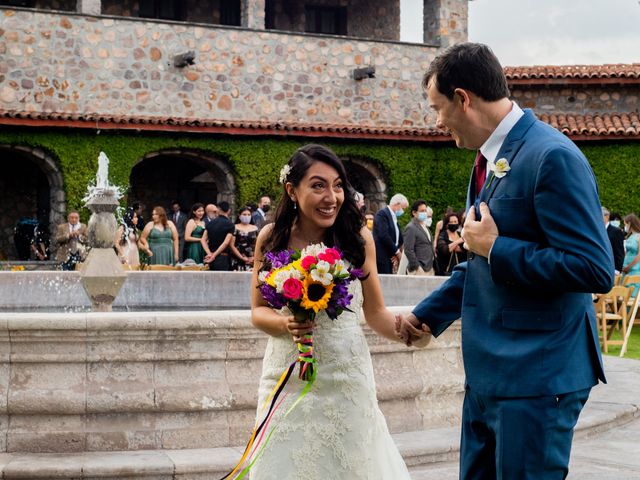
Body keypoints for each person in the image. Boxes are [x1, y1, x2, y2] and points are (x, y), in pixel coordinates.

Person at [397, 43, 614, 479]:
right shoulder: (486, 158)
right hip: (489, 375)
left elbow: (594, 267)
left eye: (438, 108)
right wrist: (426, 317)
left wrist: (498, 247)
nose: (437, 122)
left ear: (463, 99)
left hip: (538, 377)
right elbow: (478, 263)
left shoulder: (552, 156)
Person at [249, 144, 428, 479]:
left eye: (337, 185)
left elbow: (375, 314)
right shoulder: (271, 238)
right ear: (292, 190)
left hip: (347, 376)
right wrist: (285, 323)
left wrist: (409, 331)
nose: (331, 196)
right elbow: (258, 312)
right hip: (286, 374)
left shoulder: (358, 238)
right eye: (318, 186)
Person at [372, 193, 408, 274]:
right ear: (397, 204)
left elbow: (398, 239)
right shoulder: (382, 214)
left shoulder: (394, 217)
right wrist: (397, 252)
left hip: (390, 258)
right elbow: (384, 235)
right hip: (382, 258)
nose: (403, 211)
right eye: (403, 208)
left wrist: (395, 254)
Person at [398, 199, 435, 275]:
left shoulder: (425, 227)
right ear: (414, 213)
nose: (424, 213)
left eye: (425, 210)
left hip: (429, 267)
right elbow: (408, 250)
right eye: (422, 211)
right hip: (418, 270)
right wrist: (417, 267)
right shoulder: (411, 227)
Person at [201, 200, 234, 271]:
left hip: (209, 257)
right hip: (223, 257)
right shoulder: (230, 225)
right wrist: (214, 255)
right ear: (228, 211)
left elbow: (203, 240)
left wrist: (209, 253)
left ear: (218, 210)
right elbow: (225, 243)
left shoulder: (210, 223)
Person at [436, 211, 466, 275]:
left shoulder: (460, 234)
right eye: (451, 222)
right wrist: (458, 241)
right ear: (447, 224)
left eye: (455, 222)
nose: (453, 223)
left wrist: (452, 246)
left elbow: (467, 250)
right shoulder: (443, 235)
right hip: (445, 271)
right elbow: (444, 250)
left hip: (461, 271)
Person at [229, 205, 258, 271]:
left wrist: (254, 257)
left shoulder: (255, 228)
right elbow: (231, 245)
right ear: (239, 216)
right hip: (237, 259)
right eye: (244, 214)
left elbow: (258, 244)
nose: (246, 216)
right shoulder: (235, 227)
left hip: (252, 260)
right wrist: (242, 258)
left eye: (249, 214)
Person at [603, 206, 625, 274]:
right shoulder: (597, 230)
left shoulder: (616, 231)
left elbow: (619, 252)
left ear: (607, 216)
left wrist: (617, 269)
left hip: (612, 269)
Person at [622, 213, 640, 294]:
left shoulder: (639, 237)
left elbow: (639, 255)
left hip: (634, 270)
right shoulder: (629, 237)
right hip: (625, 270)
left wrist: (628, 267)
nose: (624, 226)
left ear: (629, 223)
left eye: (625, 224)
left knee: (631, 294)